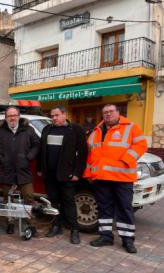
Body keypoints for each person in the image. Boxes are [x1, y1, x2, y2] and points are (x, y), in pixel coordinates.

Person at [84, 104, 147, 254]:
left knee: (124, 208)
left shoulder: (131, 127)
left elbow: (141, 144)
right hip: (102, 178)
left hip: (122, 177)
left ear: (118, 113)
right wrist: (89, 173)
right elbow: (91, 154)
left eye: (111, 112)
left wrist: (126, 160)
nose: (108, 114)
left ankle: (128, 240)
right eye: (105, 112)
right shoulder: (96, 131)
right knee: (104, 208)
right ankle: (105, 236)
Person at [38, 106, 87, 244]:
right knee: (53, 202)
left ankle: (74, 230)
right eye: (52, 115)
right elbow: (42, 151)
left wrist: (78, 173)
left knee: (69, 203)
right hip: (50, 175)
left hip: (67, 175)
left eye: (57, 115)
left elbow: (83, 154)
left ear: (64, 114)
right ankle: (56, 226)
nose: (54, 118)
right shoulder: (47, 129)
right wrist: (40, 169)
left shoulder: (76, 130)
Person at [0, 106, 40, 234]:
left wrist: (29, 157)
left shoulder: (28, 130)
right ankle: (10, 223)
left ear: (18, 116)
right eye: (9, 116)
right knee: (8, 200)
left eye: (14, 115)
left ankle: (31, 224)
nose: (12, 118)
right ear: (6, 118)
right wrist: (1, 159)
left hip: (24, 171)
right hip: (6, 171)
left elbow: (37, 145)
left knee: (29, 199)